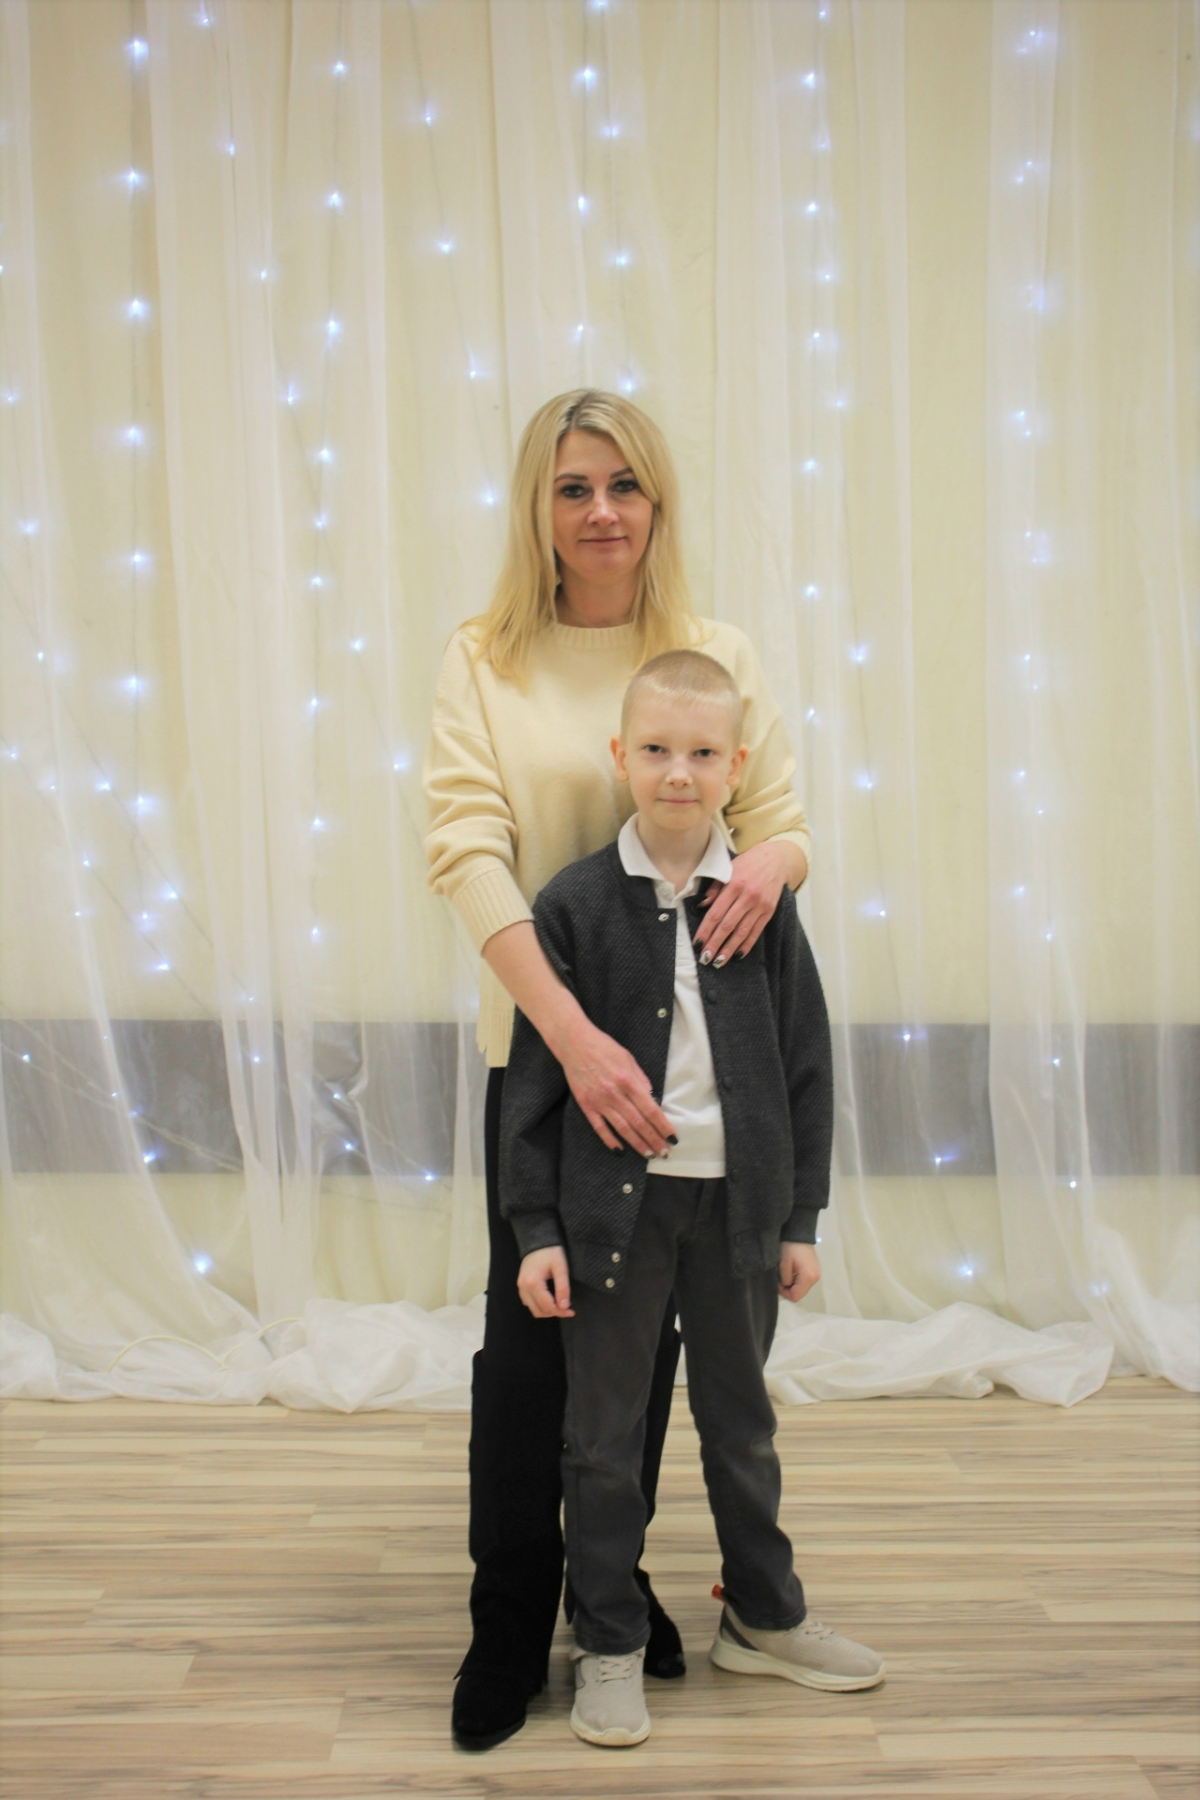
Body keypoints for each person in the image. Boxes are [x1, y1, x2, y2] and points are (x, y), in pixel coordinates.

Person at [424, 390, 813, 1751]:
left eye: (625, 485)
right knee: (531, 1350)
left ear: (658, 501)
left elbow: (780, 820)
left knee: (638, 1356)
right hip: (550, 1058)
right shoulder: (485, 656)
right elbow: (465, 850)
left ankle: (612, 1585)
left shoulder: (713, 650)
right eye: (573, 486)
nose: (601, 511)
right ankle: (506, 1613)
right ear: (538, 506)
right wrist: (575, 1039)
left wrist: (773, 863)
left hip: (682, 1080)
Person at [501, 650, 885, 1747]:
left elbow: (805, 1065)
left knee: (742, 1425)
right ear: (620, 757)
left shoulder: (761, 899)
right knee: (603, 1439)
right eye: (657, 750)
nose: (679, 772)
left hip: (738, 1217)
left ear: (737, 765)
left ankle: (763, 1614)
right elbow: (535, 1085)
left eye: (703, 752)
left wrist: (799, 1220)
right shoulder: (572, 905)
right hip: (614, 1221)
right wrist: (537, 1229)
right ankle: (608, 1640)